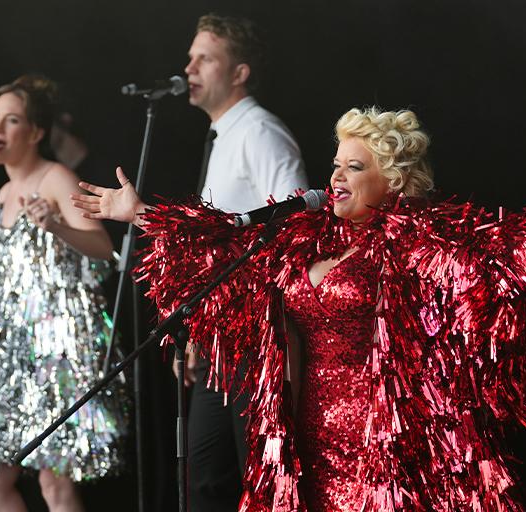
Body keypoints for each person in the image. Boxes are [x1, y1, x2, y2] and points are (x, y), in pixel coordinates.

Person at [71, 107, 526, 511]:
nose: (338, 174)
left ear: (393, 181)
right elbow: (225, 252)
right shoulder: (304, 237)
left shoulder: (416, 241)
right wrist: (140, 214)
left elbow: (479, 257)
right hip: (306, 433)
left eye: (356, 165)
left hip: (382, 439)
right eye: (337, 162)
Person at [0, 75, 127, 512]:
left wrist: (57, 226)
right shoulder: (4, 193)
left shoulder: (56, 177)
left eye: (11, 121)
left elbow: (104, 249)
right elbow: (6, 289)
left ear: (36, 132)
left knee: (54, 483)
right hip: (18, 355)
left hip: (63, 351)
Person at [176, 13, 309, 511]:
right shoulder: (223, 136)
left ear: (239, 72)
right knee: (204, 479)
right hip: (219, 339)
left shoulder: (260, 132)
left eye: (205, 58)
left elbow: (296, 225)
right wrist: (199, 328)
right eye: (190, 57)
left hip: (255, 338)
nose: (189, 68)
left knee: (261, 478)